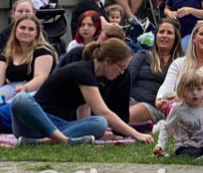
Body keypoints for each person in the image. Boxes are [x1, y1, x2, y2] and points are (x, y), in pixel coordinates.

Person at [9, 39, 152, 145]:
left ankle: (43, 142)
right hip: (35, 123)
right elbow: (104, 112)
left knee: (100, 123)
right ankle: (63, 141)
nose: (122, 72)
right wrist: (137, 134)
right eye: (121, 67)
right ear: (108, 61)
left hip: (60, 126)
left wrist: (96, 133)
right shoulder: (83, 72)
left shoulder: (94, 76)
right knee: (21, 100)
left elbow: (84, 111)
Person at [156, 20, 203, 108]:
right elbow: (167, 85)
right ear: (194, 38)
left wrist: (181, 99)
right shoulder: (178, 63)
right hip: (178, 110)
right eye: (202, 34)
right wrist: (160, 100)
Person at [127, 19, 182, 124]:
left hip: (153, 106)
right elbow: (128, 77)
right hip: (130, 99)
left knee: (126, 116)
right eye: (161, 32)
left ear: (176, 38)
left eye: (169, 33)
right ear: (156, 36)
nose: (164, 36)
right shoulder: (143, 55)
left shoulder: (180, 62)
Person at [152, 70, 203, 158]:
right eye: (190, 89)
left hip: (202, 144)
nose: (195, 93)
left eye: (199, 89)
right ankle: (167, 156)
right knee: (190, 154)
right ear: (182, 91)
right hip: (185, 145)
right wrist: (160, 145)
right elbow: (166, 127)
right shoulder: (178, 109)